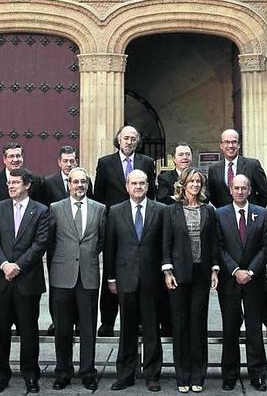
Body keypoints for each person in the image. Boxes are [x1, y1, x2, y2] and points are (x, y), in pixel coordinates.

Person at [208, 128, 267, 337]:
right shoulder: (214, 169)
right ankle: (234, 320)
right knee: (230, 281)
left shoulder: (252, 164)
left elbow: (264, 191)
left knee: (259, 278)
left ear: (239, 144)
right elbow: (214, 196)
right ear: (221, 145)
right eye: (226, 142)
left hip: (250, 228)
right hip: (226, 228)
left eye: (234, 142)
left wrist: (252, 217)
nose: (231, 145)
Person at [0, 167, 49, 394]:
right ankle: (0, 375)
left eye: (15, 183)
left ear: (27, 185)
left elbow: (40, 244)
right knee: (1, 331)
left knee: (29, 331)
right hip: (2, 280)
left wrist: (18, 266)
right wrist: (4, 265)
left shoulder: (41, 211)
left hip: (27, 281)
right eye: (9, 183)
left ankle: (31, 374)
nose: (10, 186)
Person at [105, 169, 165, 392]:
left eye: (142, 183)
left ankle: (152, 375)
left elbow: (164, 246)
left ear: (148, 186)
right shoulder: (115, 211)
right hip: (125, 277)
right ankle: (125, 374)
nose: (138, 187)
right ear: (127, 186)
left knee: (151, 328)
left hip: (152, 279)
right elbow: (110, 247)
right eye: (134, 183)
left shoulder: (160, 211)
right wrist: (111, 278)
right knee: (127, 328)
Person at [94, 125, 156, 336]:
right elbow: (99, 195)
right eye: (125, 138)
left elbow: (152, 193)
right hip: (115, 223)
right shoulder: (105, 163)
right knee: (111, 269)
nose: (129, 142)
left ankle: (138, 320)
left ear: (137, 142)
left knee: (138, 270)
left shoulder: (146, 163)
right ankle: (108, 321)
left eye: (133, 138)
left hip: (139, 222)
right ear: (118, 140)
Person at [49, 167, 106, 391]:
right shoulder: (55, 209)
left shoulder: (100, 209)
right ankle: (63, 371)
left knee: (88, 327)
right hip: (62, 276)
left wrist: (86, 256)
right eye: (75, 182)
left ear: (88, 185)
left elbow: (101, 240)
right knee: (62, 328)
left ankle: (88, 371)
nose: (79, 185)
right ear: (68, 185)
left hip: (88, 275)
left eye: (83, 182)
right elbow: (50, 241)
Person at [162, 167, 219, 393]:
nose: (195, 184)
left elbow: (214, 242)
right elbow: (165, 243)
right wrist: (167, 272)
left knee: (198, 324)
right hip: (178, 274)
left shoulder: (209, 211)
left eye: (198, 181)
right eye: (191, 181)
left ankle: (198, 375)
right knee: (180, 324)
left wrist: (214, 269)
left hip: (201, 274)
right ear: (183, 184)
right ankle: (182, 375)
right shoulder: (171, 211)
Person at [216, 174, 267, 392]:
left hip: (254, 279)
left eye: (244, 188)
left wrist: (250, 271)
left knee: (254, 328)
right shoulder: (219, 214)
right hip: (230, 280)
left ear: (249, 190)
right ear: (231, 190)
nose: (240, 191)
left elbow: (266, 247)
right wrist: (235, 270)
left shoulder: (262, 213)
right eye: (236, 188)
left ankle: (257, 374)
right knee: (230, 327)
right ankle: (229, 374)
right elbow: (218, 246)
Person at [43, 146, 93, 334]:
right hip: (57, 246)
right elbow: (44, 213)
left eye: (72, 160)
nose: (69, 164)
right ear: (59, 162)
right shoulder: (48, 183)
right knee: (57, 286)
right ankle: (58, 321)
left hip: (80, 244)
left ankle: (80, 322)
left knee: (80, 284)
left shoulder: (86, 182)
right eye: (65, 161)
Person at [0, 142, 43, 212]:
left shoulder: (35, 180)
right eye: (11, 156)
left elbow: (40, 209)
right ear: (4, 159)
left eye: (18, 156)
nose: (16, 160)